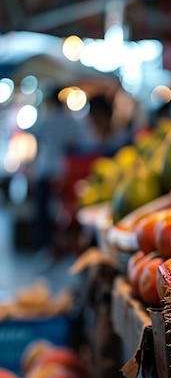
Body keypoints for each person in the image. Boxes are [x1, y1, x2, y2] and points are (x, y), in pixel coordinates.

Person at [27, 88, 95, 254]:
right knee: (64, 209)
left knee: (43, 211)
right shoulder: (71, 122)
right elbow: (84, 143)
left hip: (45, 169)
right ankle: (61, 246)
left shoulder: (45, 120)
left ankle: (44, 245)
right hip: (64, 170)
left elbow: (36, 139)